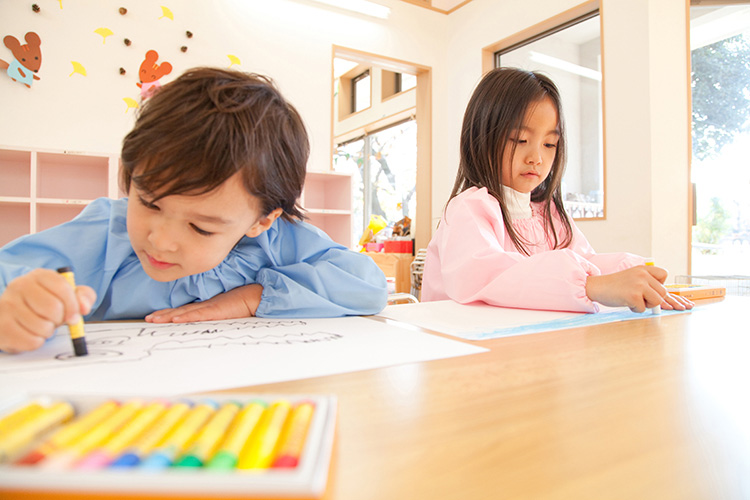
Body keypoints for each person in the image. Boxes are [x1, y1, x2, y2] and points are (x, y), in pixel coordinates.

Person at [0, 67, 387, 354]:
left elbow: (367, 286)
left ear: (261, 219)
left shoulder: (278, 239)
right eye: (149, 202)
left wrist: (251, 298)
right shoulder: (106, 232)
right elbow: (8, 276)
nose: (161, 241)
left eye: (201, 228)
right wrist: (16, 307)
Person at [422, 67, 692, 314]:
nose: (536, 158)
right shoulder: (469, 209)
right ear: (482, 137)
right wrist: (593, 286)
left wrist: (631, 274)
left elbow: (586, 260)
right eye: (521, 140)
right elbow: (486, 275)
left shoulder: (548, 212)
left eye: (549, 144)